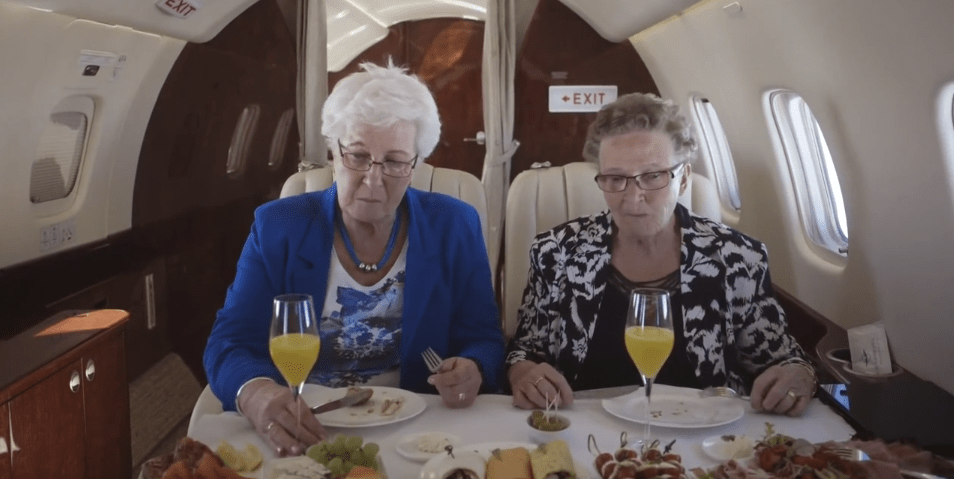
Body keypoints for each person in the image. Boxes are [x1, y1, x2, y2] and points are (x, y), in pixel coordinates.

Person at [204, 61, 504, 457]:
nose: (373, 179)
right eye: (358, 156)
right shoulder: (278, 226)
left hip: (416, 429)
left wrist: (474, 368)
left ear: (415, 165)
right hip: (305, 427)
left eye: (395, 161)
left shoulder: (455, 224)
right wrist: (257, 394)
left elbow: (483, 336)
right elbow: (230, 341)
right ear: (333, 152)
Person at [505, 92, 816, 417]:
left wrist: (799, 375)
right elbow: (525, 349)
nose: (633, 198)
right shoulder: (556, 252)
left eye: (653, 176)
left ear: (683, 178)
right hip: (586, 431)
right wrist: (521, 371)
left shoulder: (738, 258)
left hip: (703, 438)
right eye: (615, 179)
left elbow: (782, 358)